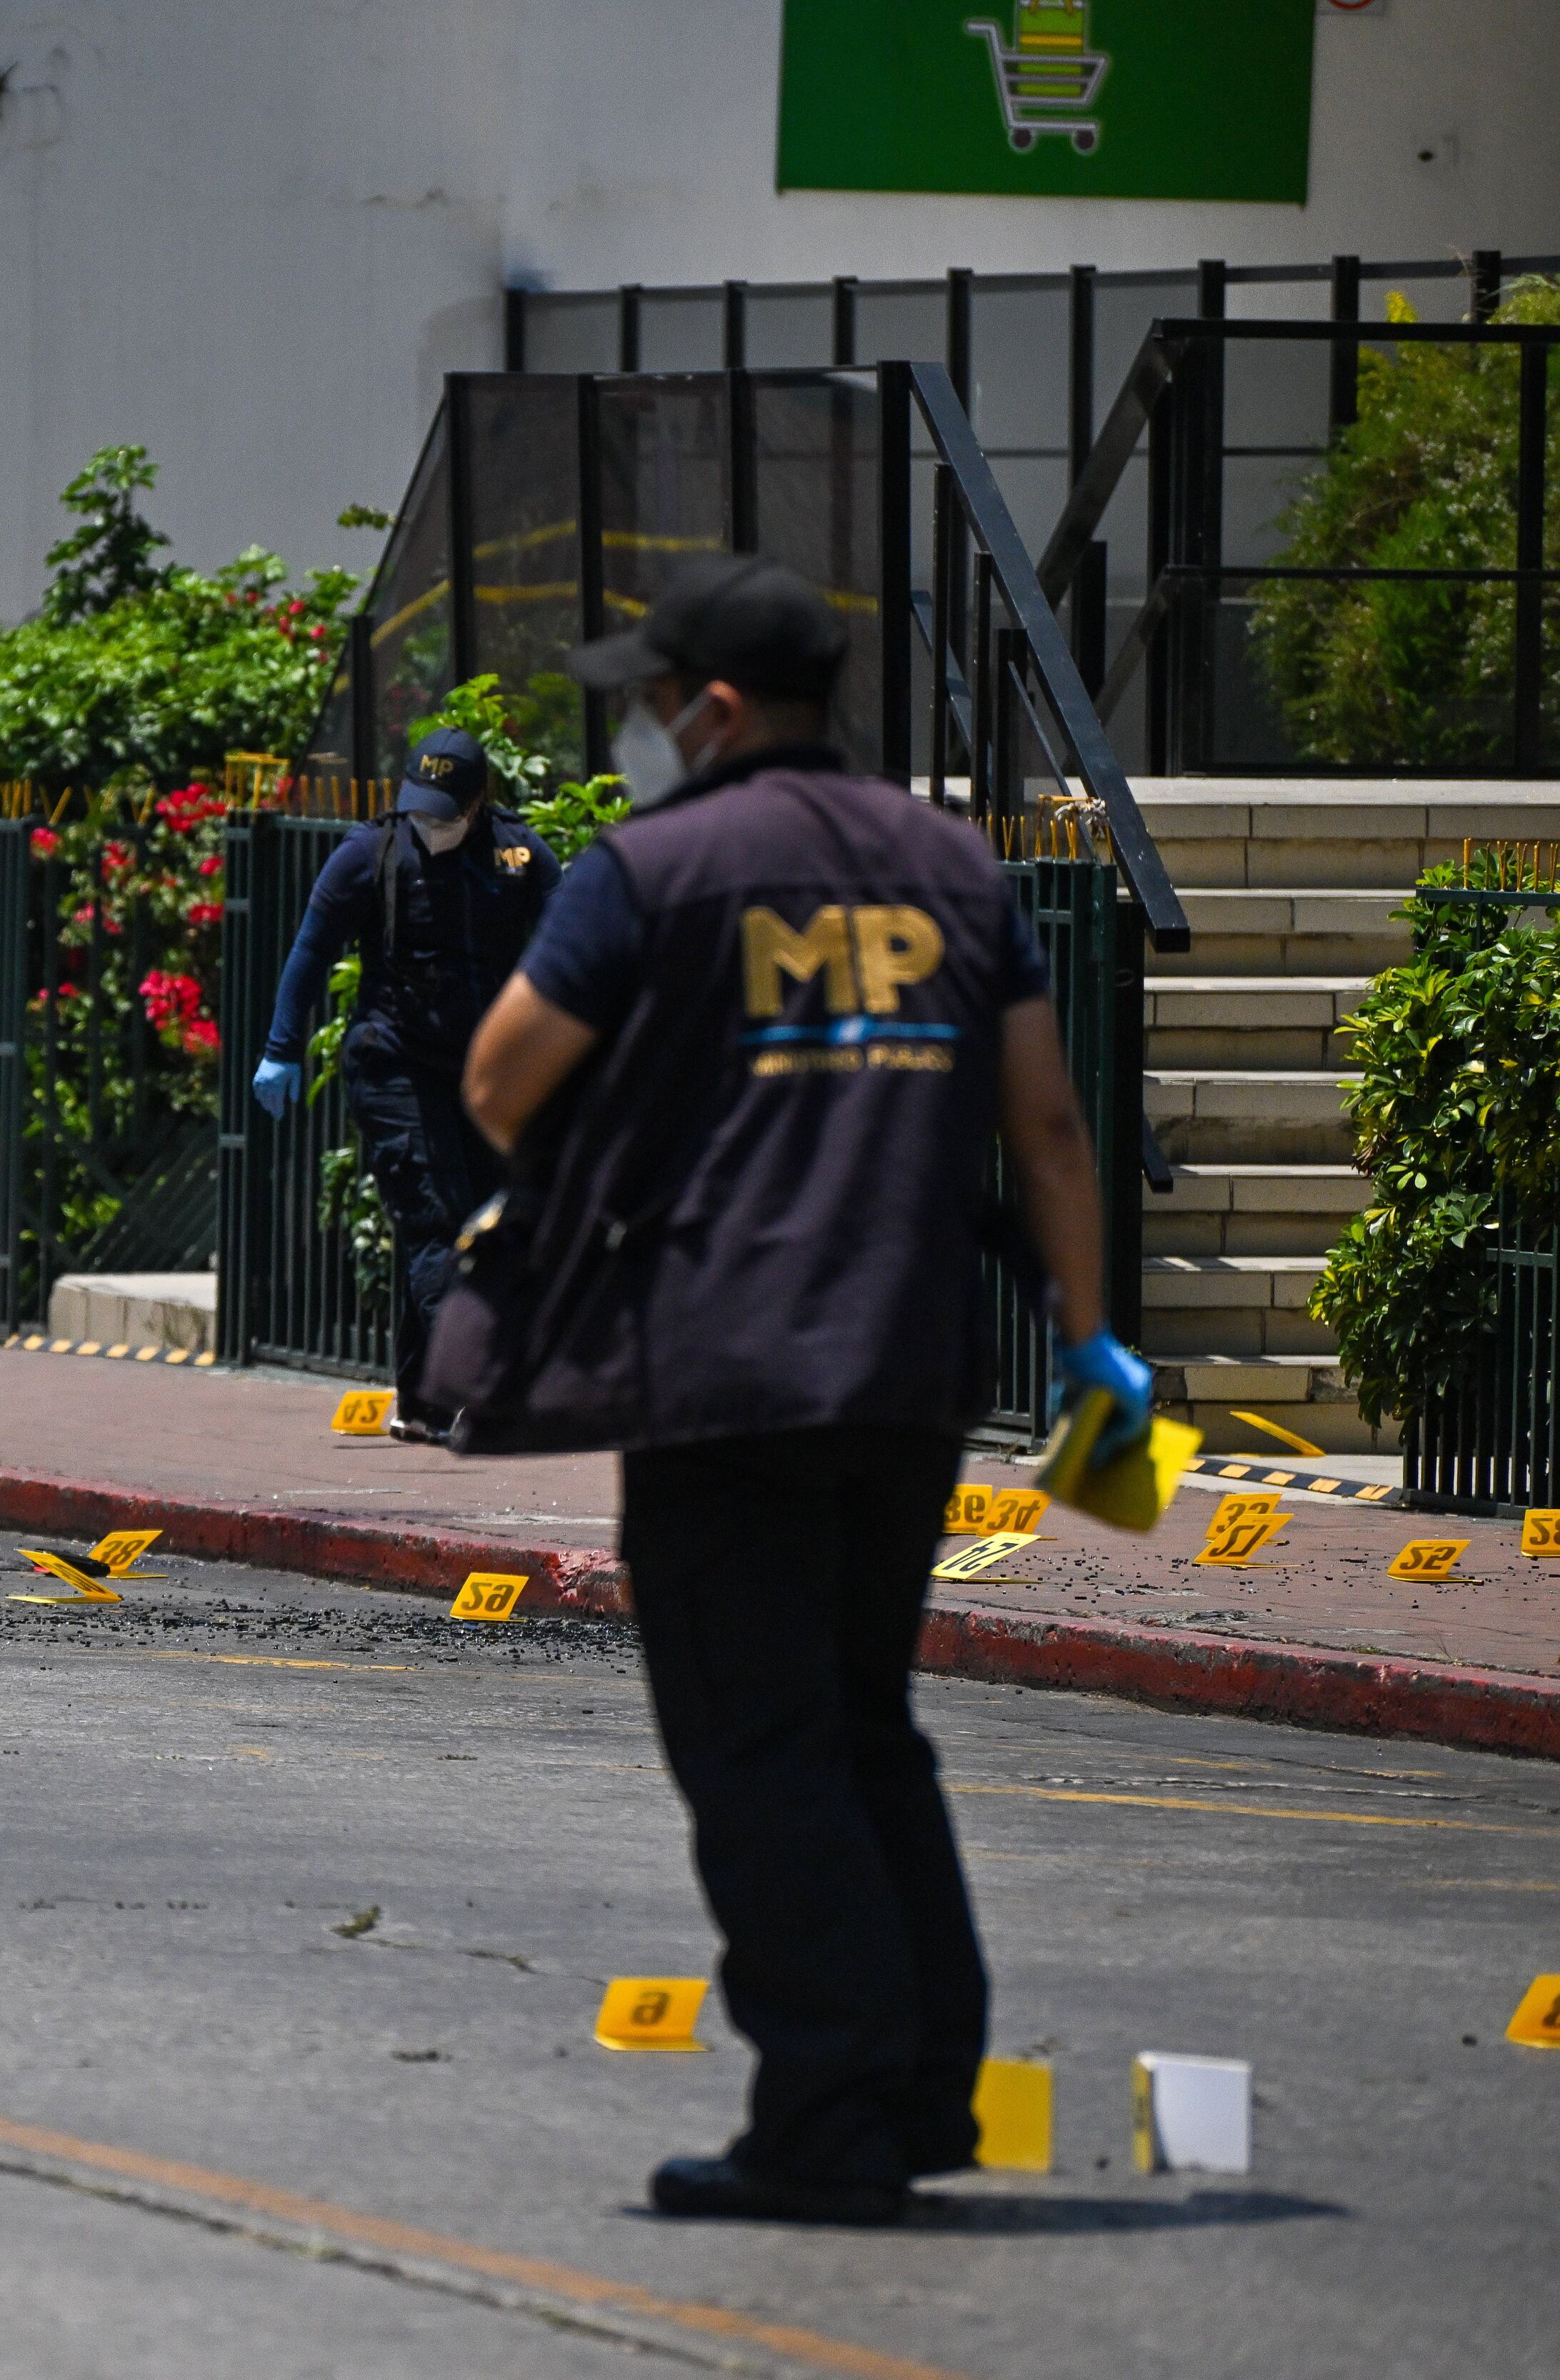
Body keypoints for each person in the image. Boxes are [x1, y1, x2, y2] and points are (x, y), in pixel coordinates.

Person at [444, 554, 1154, 2226]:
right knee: (861, 1725)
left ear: (710, 708)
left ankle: (827, 2118)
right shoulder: (951, 868)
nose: (635, 732)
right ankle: (918, 2091)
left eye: (645, 702)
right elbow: (1044, 1125)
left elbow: (495, 1079)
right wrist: (1090, 1344)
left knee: (759, 1748)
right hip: (909, 1371)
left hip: (724, 1369)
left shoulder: (654, 869)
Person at [249, 725, 556, 1437]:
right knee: (432, 1219)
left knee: (476, 1219)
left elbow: (570, 951)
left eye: (444, 814)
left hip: (481, 1071)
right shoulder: (370, 853)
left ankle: (422, 1402)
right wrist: (280, 1048)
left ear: (478, 803)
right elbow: (310, 950)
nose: (430, 826)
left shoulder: (517, 856)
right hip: (394, 1063)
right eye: (419, 810)